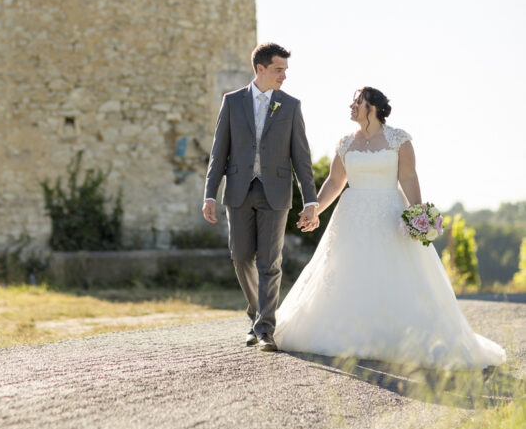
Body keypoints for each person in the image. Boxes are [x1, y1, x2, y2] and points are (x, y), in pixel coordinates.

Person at [274, 87, 506, 370]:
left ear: (372, 107)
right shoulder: (345, 143)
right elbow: (335, 182)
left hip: (388, 211)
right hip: (352, 215)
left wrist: (419, 215)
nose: (351, 105)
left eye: (357, 101)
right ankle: (350, 335)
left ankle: (396, 338)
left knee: (393, 272)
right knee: (350, 271)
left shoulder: (399, 139)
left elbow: (408, 177)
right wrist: (314, 209)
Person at [203, 42, 319, 351]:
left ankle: (265, 329)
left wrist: (311, 201)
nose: (284, 76)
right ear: (261, 69)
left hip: (276, 192)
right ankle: (256, 313)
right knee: (241, 257)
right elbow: (218, 151)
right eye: (279, 70)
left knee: (270, 262)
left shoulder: (291, 106)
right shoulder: (232, 102)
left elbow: (301, 157)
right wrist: (209, 194)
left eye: (285, 70)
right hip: (239, 190)